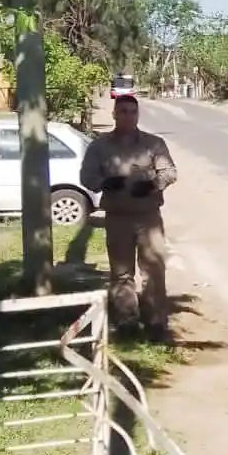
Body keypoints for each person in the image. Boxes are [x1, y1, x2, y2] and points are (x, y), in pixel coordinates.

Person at [80, 95, 177, 338]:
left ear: (137, 115)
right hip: (117, 217)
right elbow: (86, 177)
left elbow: (169, 171)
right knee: (121, 272)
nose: (128, 116)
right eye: (122, 111)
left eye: (132, 112)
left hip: (148, 217)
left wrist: (153, 184)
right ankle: (127, 321)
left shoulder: (153, 144)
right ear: (114, 114)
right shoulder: (99, 146)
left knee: (154, 269)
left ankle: (155, 322)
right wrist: (105, 183)